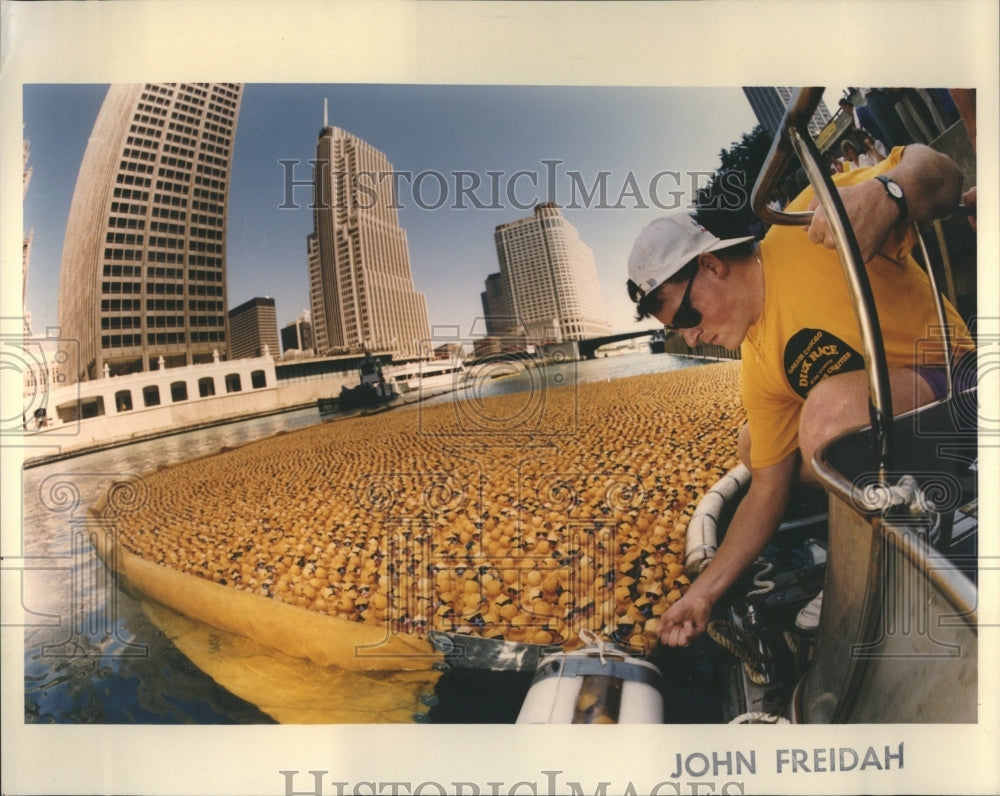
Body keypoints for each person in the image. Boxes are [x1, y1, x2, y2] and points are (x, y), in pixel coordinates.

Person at [625, 143, 974, 647]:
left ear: (712, 266)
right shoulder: (759, 363)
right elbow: (765, 494)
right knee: (757, 448)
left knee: (826, 417)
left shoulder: (807, 225)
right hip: (896, 437)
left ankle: (873, 570)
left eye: (685, 318)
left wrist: (890, 194)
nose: (691, 337)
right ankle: (887, 531)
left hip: (963, 391)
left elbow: (942, 170)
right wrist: (703, 592)